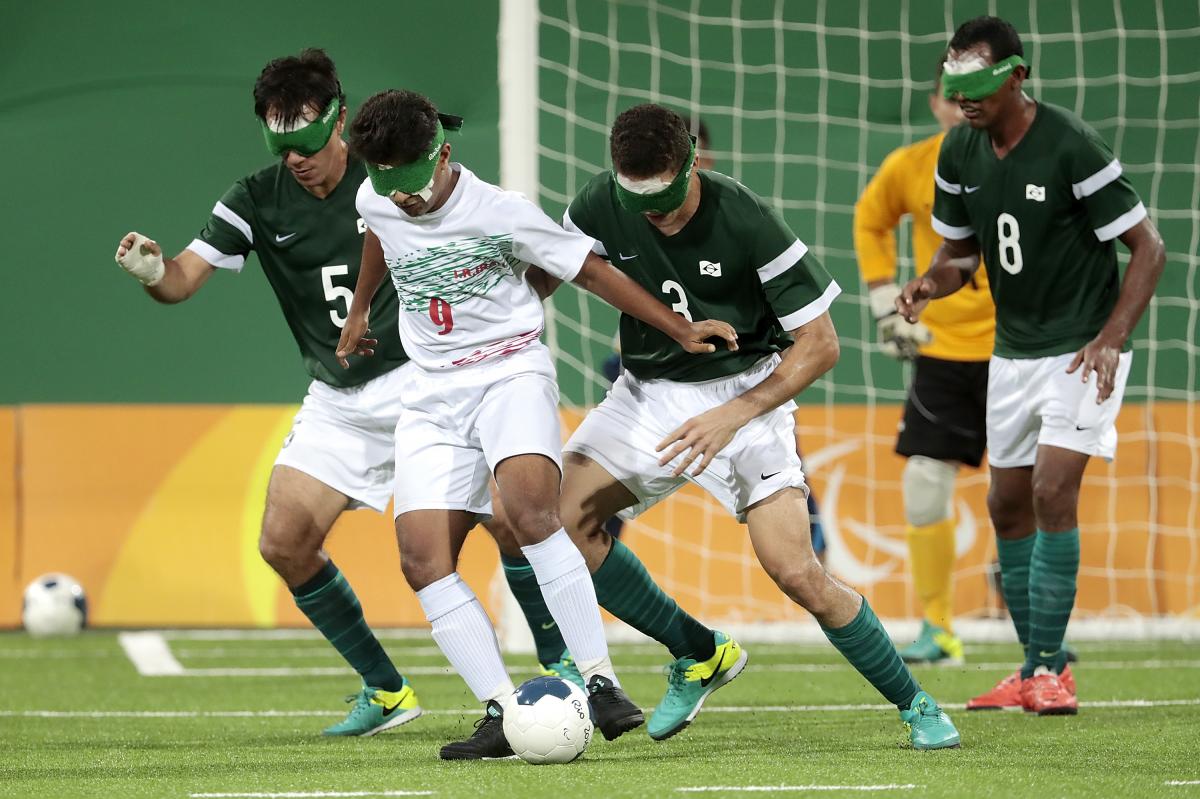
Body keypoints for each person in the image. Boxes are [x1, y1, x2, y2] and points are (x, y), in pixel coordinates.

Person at [111, 49, 581, 738]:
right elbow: (181, 279)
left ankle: (564, 663)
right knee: (284, 540)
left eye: (305, 141)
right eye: (280, 144)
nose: (295, 158)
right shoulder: (253, 199)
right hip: (340, 399)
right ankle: (387, 690)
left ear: (338, 120)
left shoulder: (394, 173)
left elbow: (503, 243)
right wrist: (152, 269)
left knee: (513, 517)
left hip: (428, 378)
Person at [336, 89, 738, 759]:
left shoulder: (502, 212)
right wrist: (359, 309)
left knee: (527, 512)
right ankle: (502, 709)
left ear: (442, 153)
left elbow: (590, 271)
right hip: (431, 390)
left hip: (509, 373)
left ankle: (602, 680)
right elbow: (380, 229)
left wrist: (677, 327)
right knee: (421, 559)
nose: (399, 197)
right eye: (386, 183)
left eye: (409, 183)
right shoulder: (378, 193)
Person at [555, 103, 960, 749]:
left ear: (691, 160)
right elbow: (558, 268)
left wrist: (735, 413)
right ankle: (699, 652)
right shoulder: (602, 199)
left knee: (796, 571)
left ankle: (915, 703)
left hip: (746, 399)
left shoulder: (744, 217)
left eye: (663, 196)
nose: (652, 213)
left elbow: (822, 344)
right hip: (647, 395)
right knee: (554, 522)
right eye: (639, 201)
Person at [899, 16, 1165, 714]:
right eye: (954, 82)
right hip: (1012, 353)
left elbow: (1150, 248)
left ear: (1017, 75)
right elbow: (960, 255)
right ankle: (1031, 666)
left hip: (1083, 347)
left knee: (1052, 490)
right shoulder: (957, 152)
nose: (964, 96)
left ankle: (1051, 669)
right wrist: (930, 282)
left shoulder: (1070, 144)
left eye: (978, 82)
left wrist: (1112, 336)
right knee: (1005, 503)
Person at [601, 116, 829, 560]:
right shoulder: (627, 214)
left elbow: (817, 338)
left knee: (787, 494)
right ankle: (586, 576)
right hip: (649, 374)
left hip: (738, 372)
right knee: (597, 499)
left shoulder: (739, 217)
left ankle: (822, 564)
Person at [853, 60, 990, 665]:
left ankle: (1046, 634)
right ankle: (938, 625)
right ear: (935, 104)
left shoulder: (1024, 159)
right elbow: (870, 220)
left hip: (1023, 351)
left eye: (972, 95)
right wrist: (886, 302)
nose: (962, 106)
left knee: (1040, 491)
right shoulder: (911, 166)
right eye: (952, 97)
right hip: (941, 351)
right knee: (924, 485)